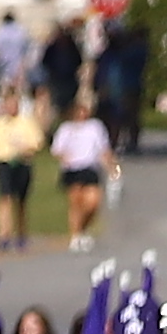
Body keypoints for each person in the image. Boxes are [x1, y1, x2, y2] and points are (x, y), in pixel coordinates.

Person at [0, 87, 49, 250]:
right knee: (4, 199)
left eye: (15, 103)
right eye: (9, 104)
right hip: (3, 163)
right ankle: (4, 234)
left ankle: (21, 233)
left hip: (22, 162)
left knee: (21, 201)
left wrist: (26, 149)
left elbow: (38, 143)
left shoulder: (26, 122)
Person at [50, 98, 113, 247]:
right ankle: (75, 234)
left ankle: (82, 229)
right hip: (73, 168)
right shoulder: (66, 129)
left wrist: (112, 167)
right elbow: (57, 149)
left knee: (93, 203)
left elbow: (104, 149)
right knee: (76, 203)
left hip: (89, 167)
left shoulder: (95, 127)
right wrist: (65, 157)